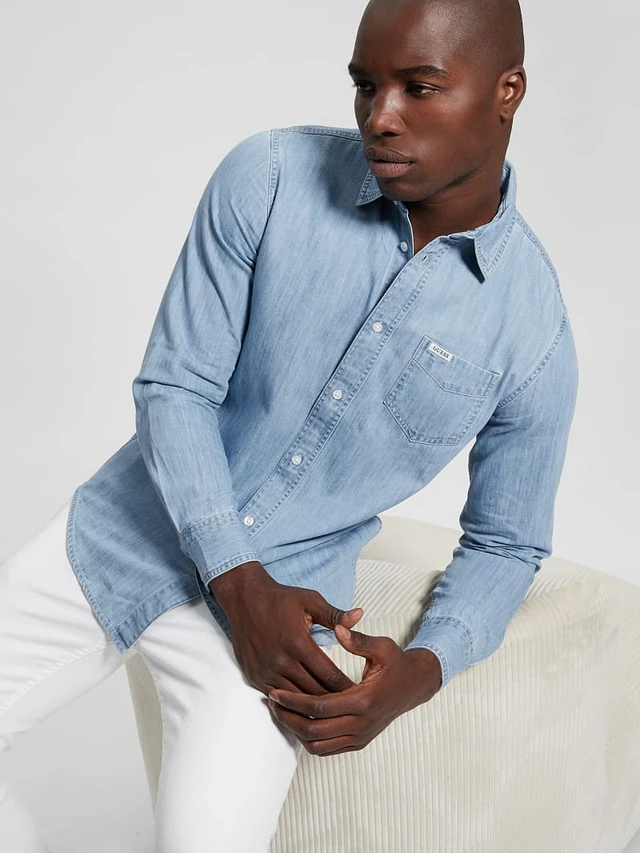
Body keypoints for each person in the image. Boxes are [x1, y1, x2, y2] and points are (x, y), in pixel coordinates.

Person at [0, 0, 579, 850]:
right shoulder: (267, 176)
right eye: (365, 85)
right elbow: (175, 385)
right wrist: (239, 582)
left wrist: (422, 671)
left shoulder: (534, 332)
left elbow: (507, 542)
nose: (381, 116)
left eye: (419, 88)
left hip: (284, 629)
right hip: (122, 534)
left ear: (507, 91)